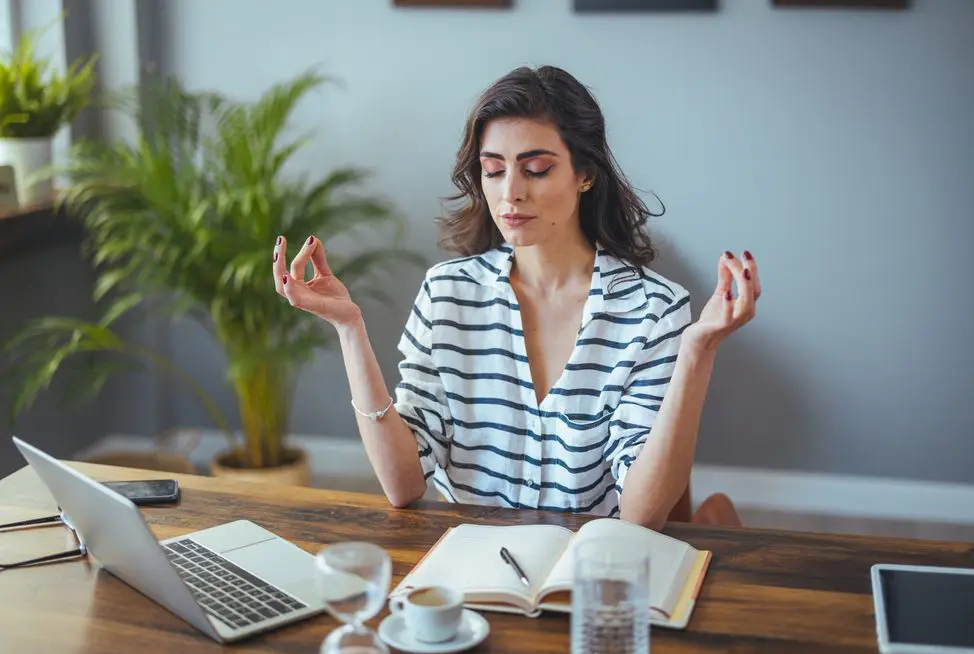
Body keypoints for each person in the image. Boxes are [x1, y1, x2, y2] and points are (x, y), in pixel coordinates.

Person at [273, 65, 759, 531]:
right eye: (493, 170)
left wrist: (698, 351)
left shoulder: (655, 310)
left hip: (587, 578)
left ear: (584, 173)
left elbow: (643, 514)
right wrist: (349, 329)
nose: (511, 194)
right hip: (473, 576)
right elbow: (403, 485)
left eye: (537, 169)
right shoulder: (447, 293)